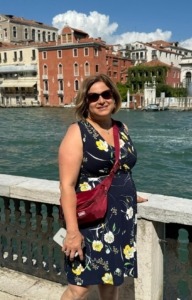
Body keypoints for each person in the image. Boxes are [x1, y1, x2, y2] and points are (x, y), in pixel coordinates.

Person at [58, 74, 147, 300]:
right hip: (90, 220)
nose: (101, 100)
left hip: (120, 217)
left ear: (114, 97)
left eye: (106, 94)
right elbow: (67, 186)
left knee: (111, 282)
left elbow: (121, 169)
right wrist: (72, 232)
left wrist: (127, 194)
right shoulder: (78, 132)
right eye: (93, 96)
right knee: (79, 287)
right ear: (85, 103)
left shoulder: (122, 128)